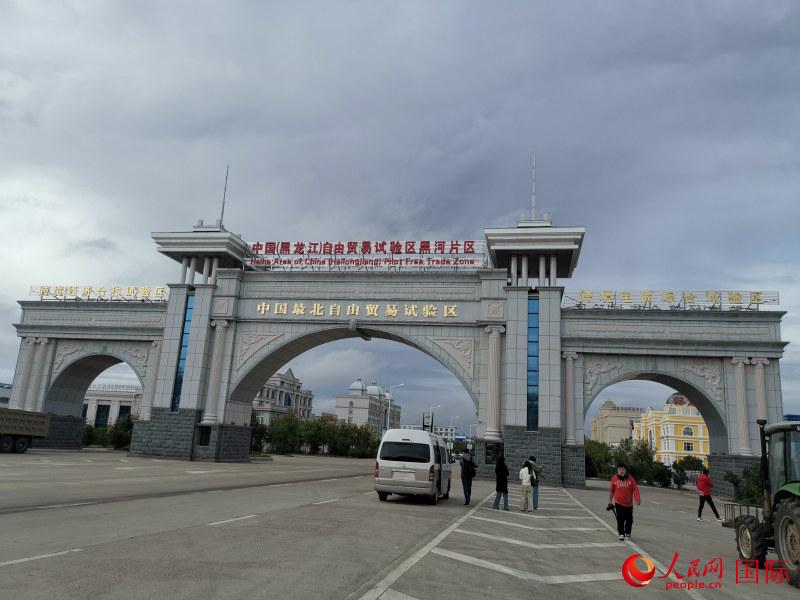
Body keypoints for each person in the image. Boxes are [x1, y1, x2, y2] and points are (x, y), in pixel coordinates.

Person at [608, 462, 641, 541]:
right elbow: (612, 490)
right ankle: (621, 533)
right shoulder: (614, 479)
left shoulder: (631, 479)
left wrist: (637, 499)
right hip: (619, 503)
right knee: (620, 519)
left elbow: (635, 489)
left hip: (629, 504)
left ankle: (628, 532)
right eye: (619, 469)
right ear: (617, 470)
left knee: (629, 519)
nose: (621, 471)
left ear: (626, 470)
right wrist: (610, 500)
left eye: (623, 469)